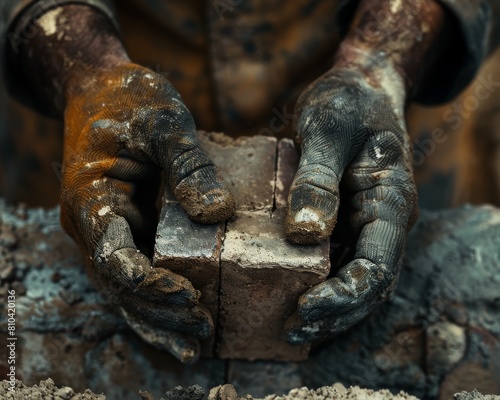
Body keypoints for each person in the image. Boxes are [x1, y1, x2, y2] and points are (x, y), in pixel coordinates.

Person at [0, 0, 498, 363]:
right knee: (71, 282)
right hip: (105, 95)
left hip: (377, 83)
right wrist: (84, 69)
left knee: (399, 274)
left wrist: (380, 60)